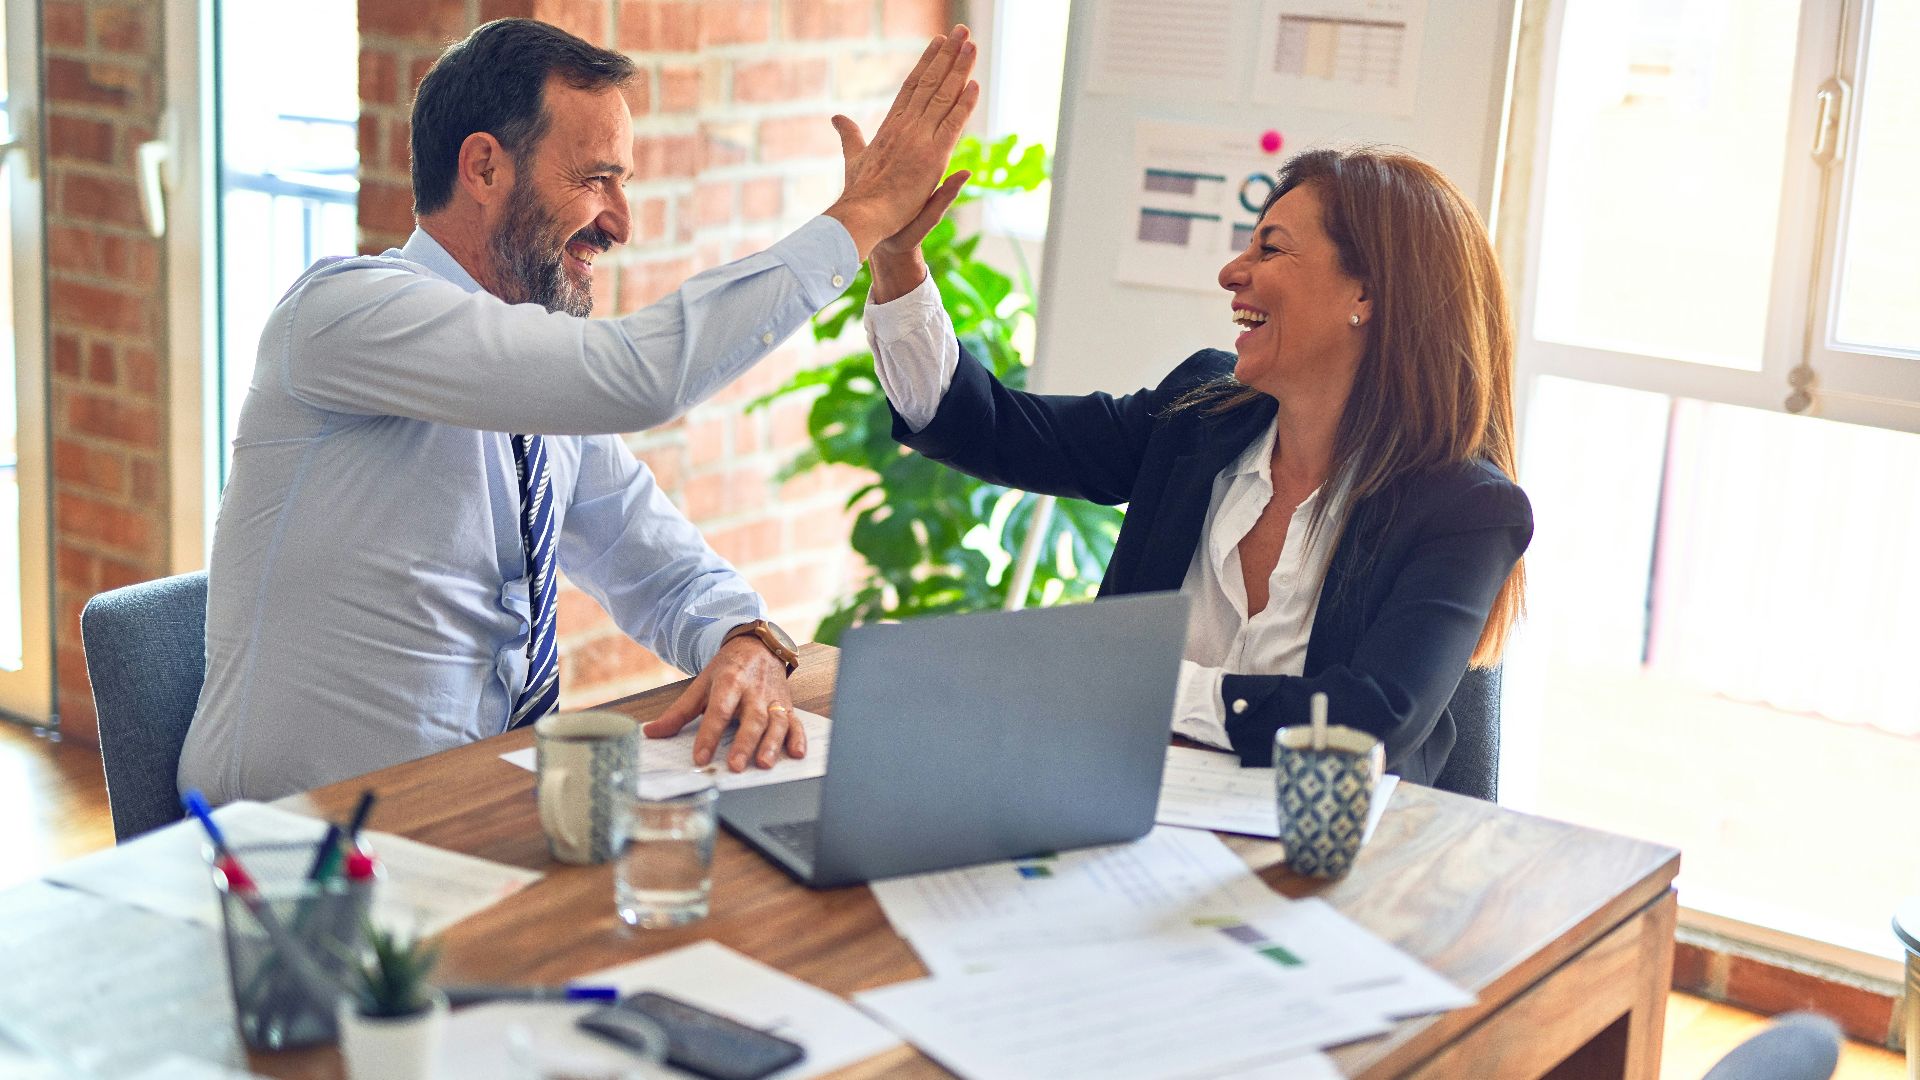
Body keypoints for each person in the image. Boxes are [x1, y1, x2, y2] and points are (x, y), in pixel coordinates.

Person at [178, 18, 978, 802]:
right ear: (484, 169)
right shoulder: (344, 314)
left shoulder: (536, 391)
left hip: (475, 818)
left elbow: (659, 564)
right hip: (293, 853)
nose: (621, 222)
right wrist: (862, 216)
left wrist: (745, 639)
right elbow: (640, 376)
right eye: (597, 178)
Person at [861, 147, 1531, 786]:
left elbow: (1367, 723)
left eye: (1269, 248)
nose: (1232, 272)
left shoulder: (1465, 508)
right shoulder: (1199, 415)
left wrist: (1141, 684)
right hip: (1124, 816)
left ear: (1367, 294)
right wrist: (897, 260)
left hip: (1329, 867)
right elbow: (989, 428)